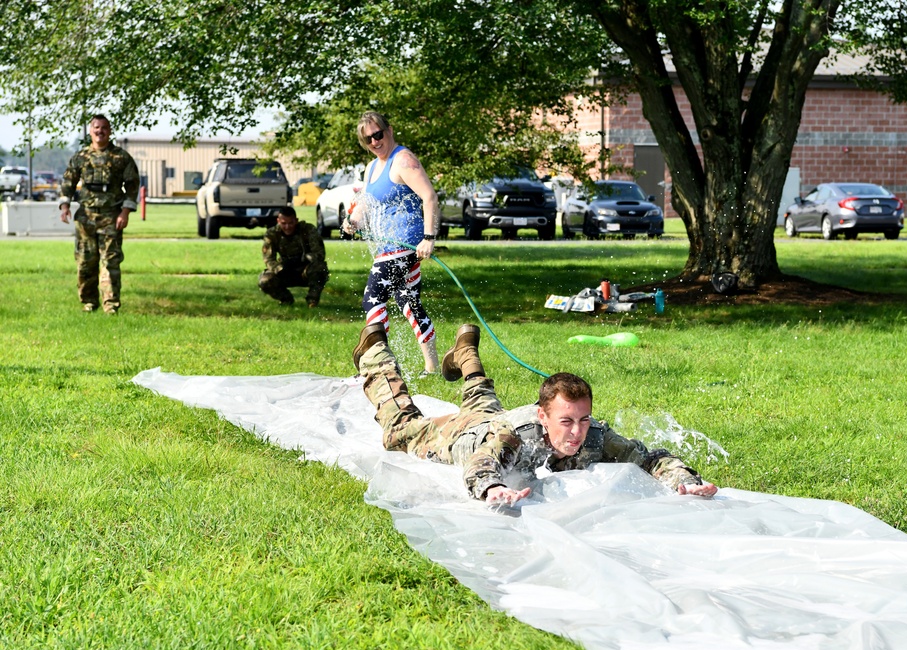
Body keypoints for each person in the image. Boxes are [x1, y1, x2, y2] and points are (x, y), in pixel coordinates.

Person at [353, 322, 719, 506]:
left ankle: (465, 353)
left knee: (483, 400)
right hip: (470, 436)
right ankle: (373, 354)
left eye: (583, 419)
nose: (577, 432)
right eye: (566, 422)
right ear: (543, 417)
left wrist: (682, 480)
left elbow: (651, 458)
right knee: (402, 430)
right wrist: (493, 488)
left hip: (496, 418)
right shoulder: (513, 438)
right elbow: (481, 465)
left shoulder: (593, 435)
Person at [344, 111, 441, 375]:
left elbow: (429, 196)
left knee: (372, 299)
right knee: (408, 301)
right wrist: (352, 222)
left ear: (390, 130)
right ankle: (432, 368)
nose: (375, 141)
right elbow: (366, 204)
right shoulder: (372, 167)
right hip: (388, 247)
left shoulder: (403, 159)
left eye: (378, 134)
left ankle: (382, 367)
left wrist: (429, 238)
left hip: (405, 244)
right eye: (368, 139)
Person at [58, 114, 140, 314]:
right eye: (96, 127)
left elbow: (132, 185)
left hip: (111, 216)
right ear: (90, 131)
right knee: (85, 261)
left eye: (104, 128)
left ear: (109, 131)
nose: (100, 131)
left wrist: (125, 212)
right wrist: (65, 206)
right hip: (86, 216)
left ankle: (110, 304)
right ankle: (89, 301)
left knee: (110, 260)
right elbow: (68, 182)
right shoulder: (81, 157)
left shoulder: (121, 157)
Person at [258, 207, 330, 307]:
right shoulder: (272, 234)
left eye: (291, 223)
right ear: (278, 221)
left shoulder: (308, 230)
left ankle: (312, 301)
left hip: (305, 270)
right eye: (283, 223)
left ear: (296, 220)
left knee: (320, 269)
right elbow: (269, 259)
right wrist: (279, 268)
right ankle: (286, 299)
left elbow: (319, 254)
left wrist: (304, 258)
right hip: (284, 270)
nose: (287, 227)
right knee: (265, 280)